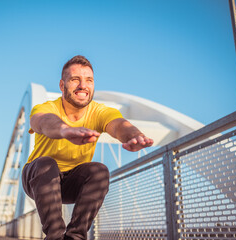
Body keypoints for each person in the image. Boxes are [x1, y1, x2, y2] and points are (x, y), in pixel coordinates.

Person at [22, 55, 154, 240]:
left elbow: (118, 125)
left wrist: (134, 136)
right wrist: (64, 130)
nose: (83, 85)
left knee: (99, 171)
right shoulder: (46, 107)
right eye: (75, 79)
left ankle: (75, 237)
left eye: (89, 80)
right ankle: (55, 236)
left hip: (71, 183)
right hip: (38, 178)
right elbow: (42, 122)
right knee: (46, 163)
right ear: (62, 85)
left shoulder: (100, 112)